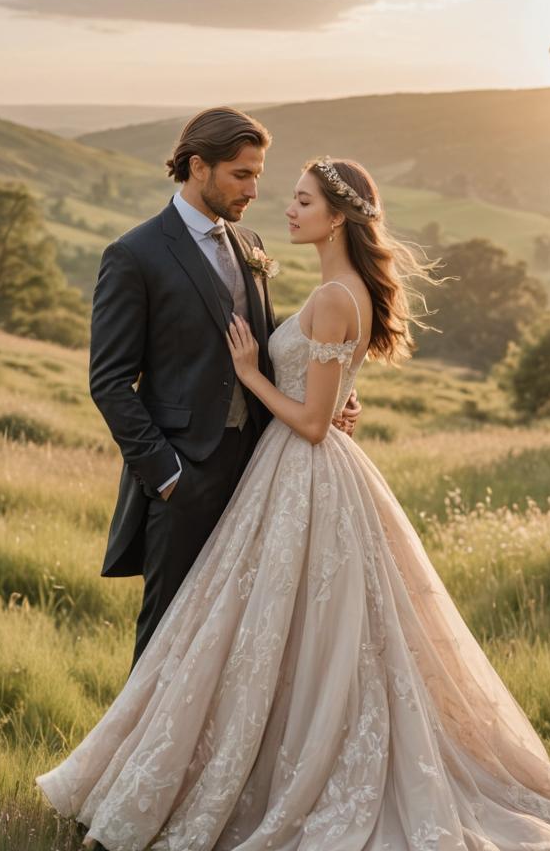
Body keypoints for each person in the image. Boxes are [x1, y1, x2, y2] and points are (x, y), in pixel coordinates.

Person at [37, 157, 550, 851]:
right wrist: (326, 396)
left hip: (305, 469)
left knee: (295, 638)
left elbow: (309, 420)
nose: (288, 210)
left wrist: (250, 373)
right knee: (282, 637)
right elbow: (330, 394)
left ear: (337, 216)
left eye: (303, 201)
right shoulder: (337, 294)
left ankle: (266, 789)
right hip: (300, 473)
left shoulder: (336, 297)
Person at [88, 107, 360, 669]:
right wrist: (166, 476)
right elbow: (110, 383)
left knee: (240, 637)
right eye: (241, 174)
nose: (255, 190)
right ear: (197, 167)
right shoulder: (134, 255)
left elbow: (271, 343)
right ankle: (143, 757)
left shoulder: (250, 242)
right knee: (167, 634)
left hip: (258, 470)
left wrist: (330, 397)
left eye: (258, 174)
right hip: (183, 478)